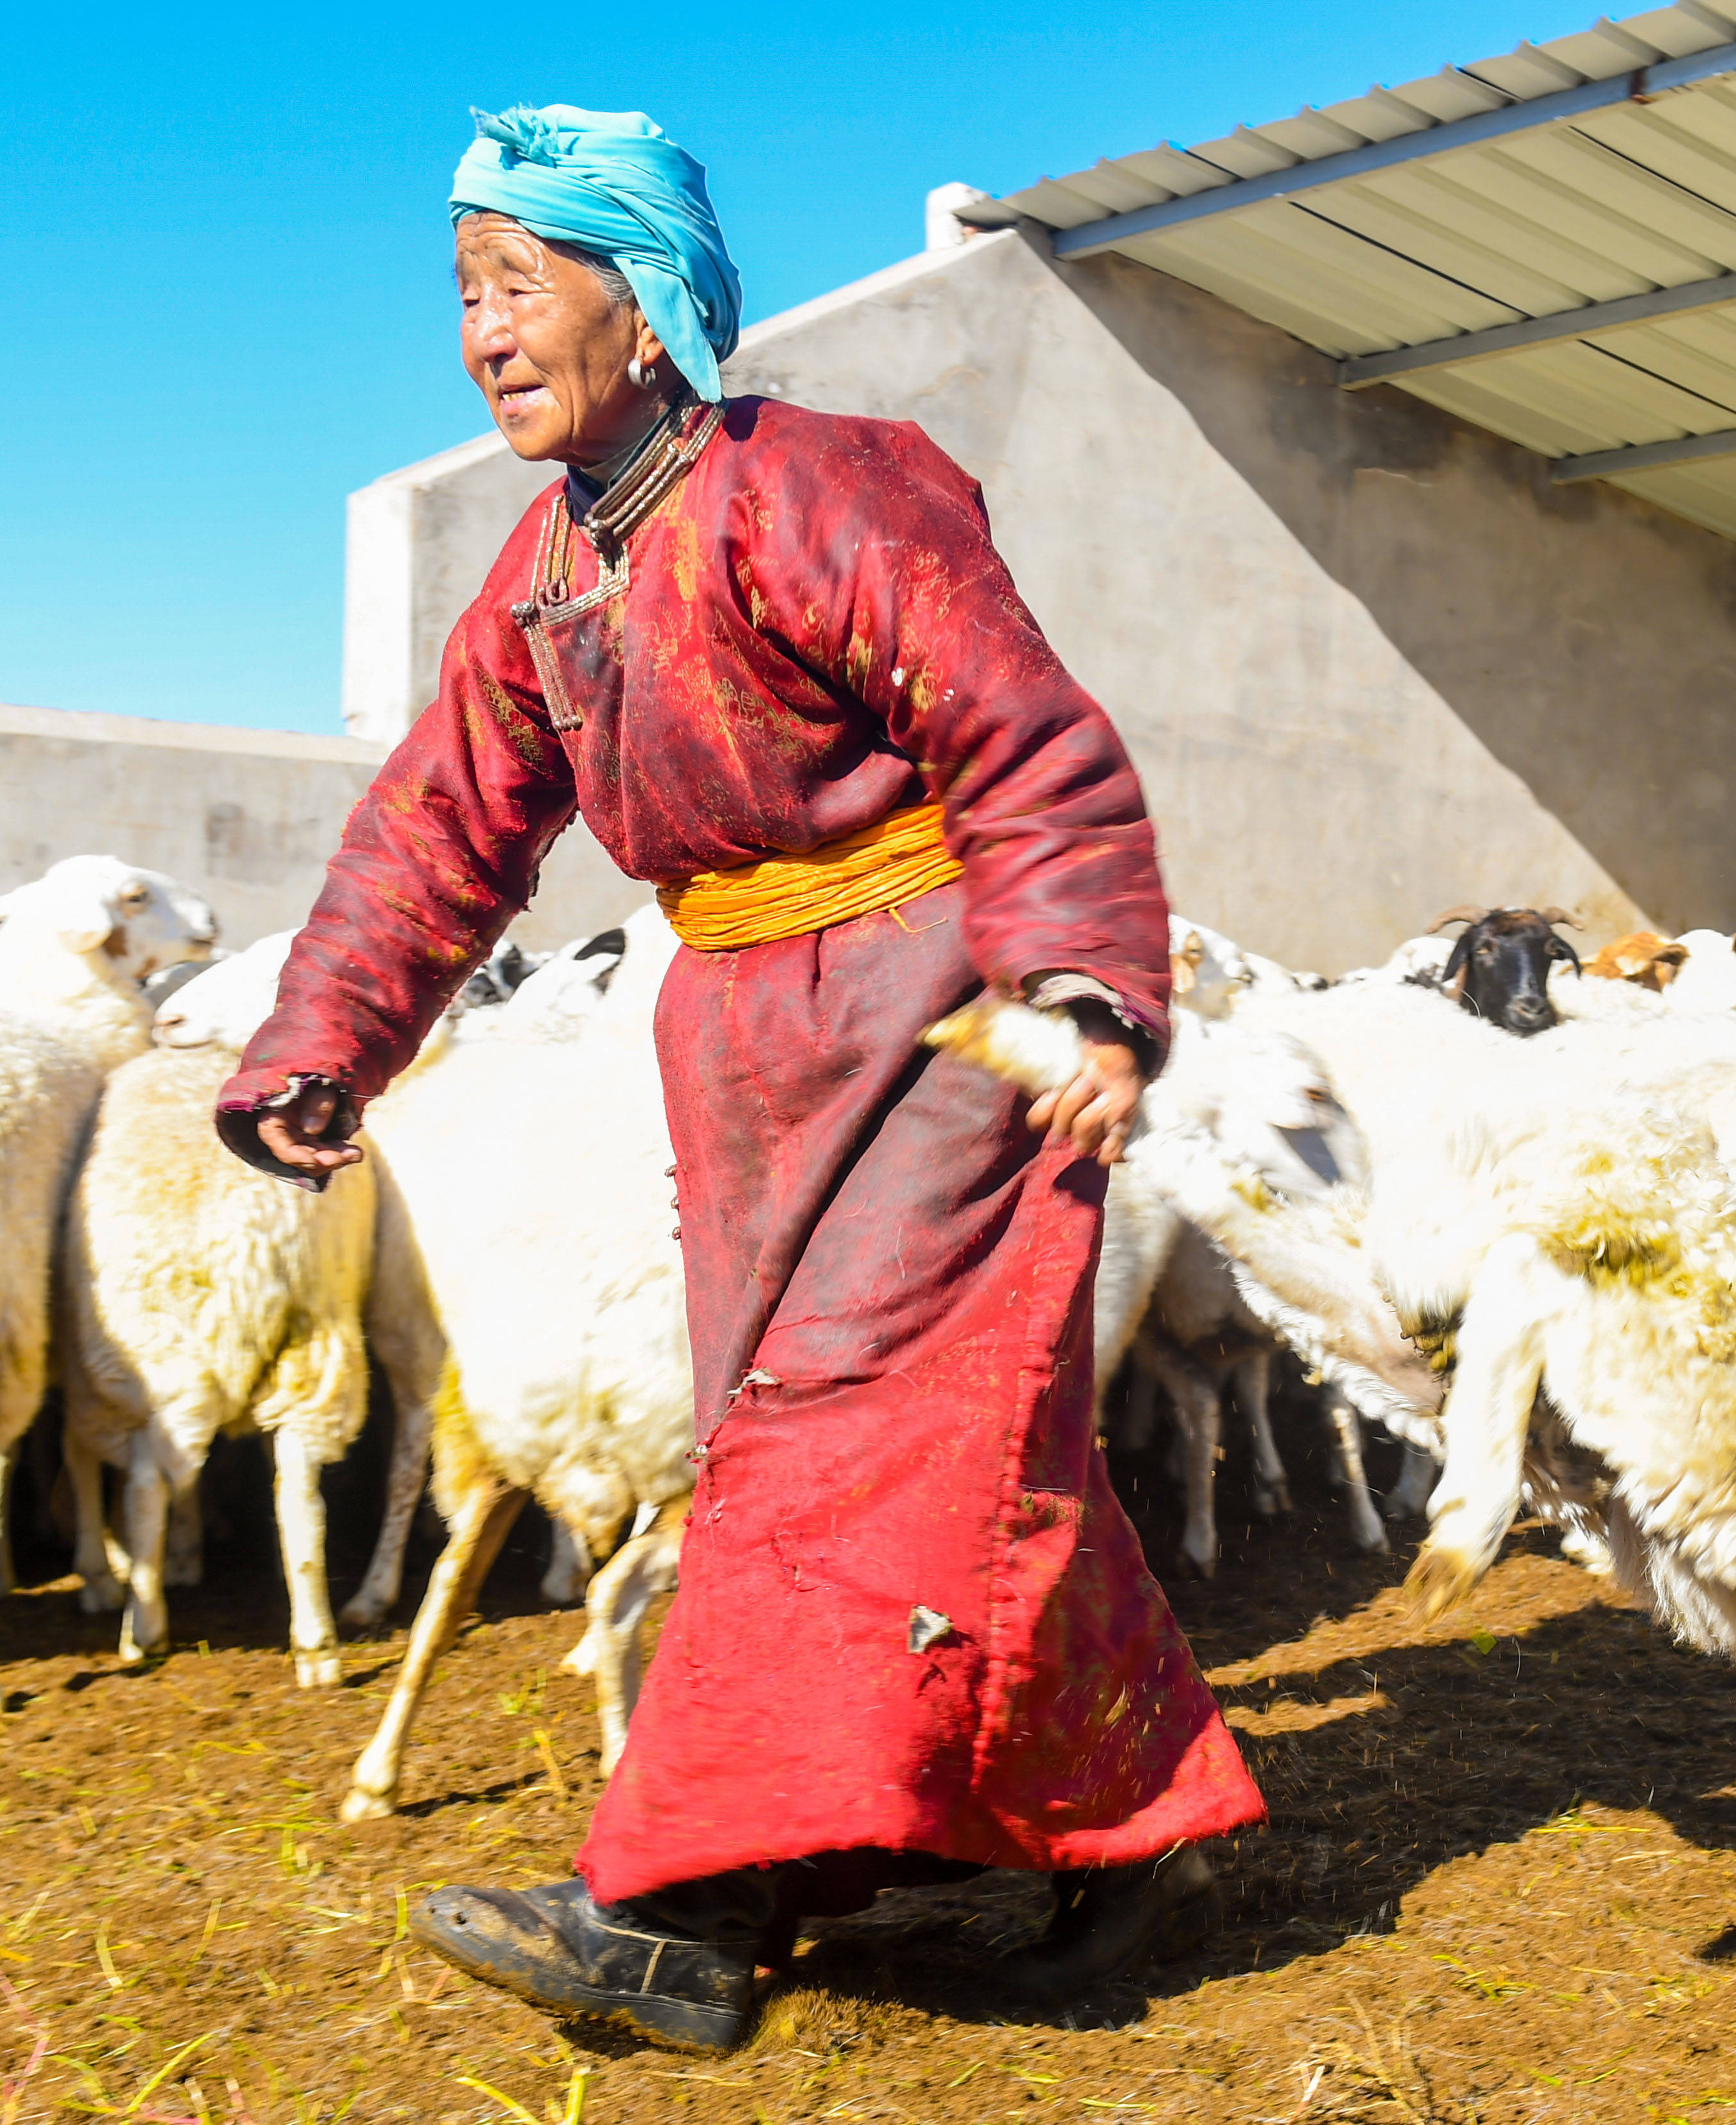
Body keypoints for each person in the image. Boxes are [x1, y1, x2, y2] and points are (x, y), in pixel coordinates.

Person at [216, 105, 1265, 2052]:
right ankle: (1126, 1824)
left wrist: (1090, 983)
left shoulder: (828, 490)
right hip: (744, 1047)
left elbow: (1021, 736)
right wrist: (325, 1039)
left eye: (518, 288)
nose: (484, 335)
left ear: (646, 303)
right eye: (465, 297)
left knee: (838, 1446)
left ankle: (684, 1906)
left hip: (947, 1019)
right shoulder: (548, 577)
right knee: (918, 1455)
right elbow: (437, 827)